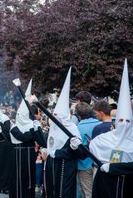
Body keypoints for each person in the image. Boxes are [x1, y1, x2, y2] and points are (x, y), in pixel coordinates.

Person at [90, 60, 133, 198]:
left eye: (127, 121)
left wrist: (113, 167)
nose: (124, 124)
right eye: (121, 120)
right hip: (106, 185)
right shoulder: (102, 140)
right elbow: (90, 149)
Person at [41, 68, 85, 198]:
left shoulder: (71, 128)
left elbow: (79, 153)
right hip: (51, 165)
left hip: (65, 168)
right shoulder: (53, 128)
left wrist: (69, 148)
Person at [75, 102, 101, 198]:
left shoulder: (77, 128)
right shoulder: (100, 124)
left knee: (88, 193)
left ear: (79, 116)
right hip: (99, 163)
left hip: (83, 164)